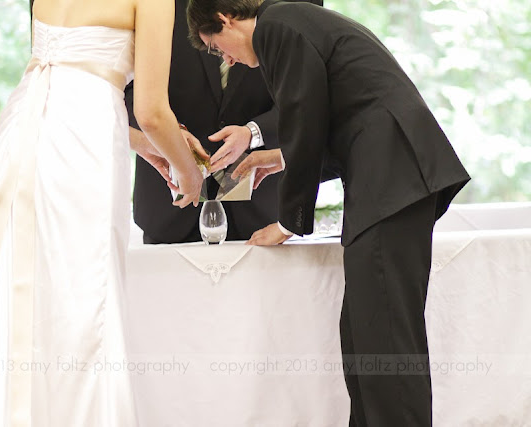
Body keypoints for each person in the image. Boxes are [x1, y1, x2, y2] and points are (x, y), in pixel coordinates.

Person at [187, 0, 471, 426]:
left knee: (386, 341)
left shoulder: (277, 26)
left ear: (225, 18)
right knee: (363, 337)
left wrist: (287, 222)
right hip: (388, 178)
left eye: (215, 46)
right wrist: (281, 158)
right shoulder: (290, 23)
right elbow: (332, 114)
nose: (224, 57)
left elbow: (305, 116)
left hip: (392, 178)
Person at [0, 0, 203, 425]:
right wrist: (189, 173)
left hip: (25, 124)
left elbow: (68, 73)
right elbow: (152, 111)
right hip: (84, 140)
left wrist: (147, 147)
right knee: (84, 300)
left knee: (20, 293)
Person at [126, 0, 323, 244]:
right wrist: (169, 133)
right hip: (169, 207)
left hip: (262, 206)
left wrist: (254, 132)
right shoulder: (154, 5)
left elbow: (307, 94)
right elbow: (126, 88)